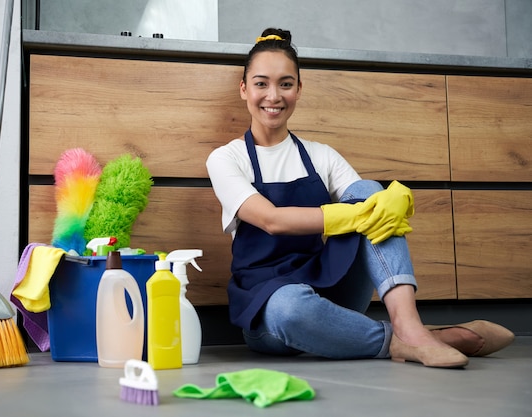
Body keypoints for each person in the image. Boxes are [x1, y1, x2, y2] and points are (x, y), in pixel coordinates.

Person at [206, 28, 514, 368]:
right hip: (269, 306)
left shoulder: (321, 155)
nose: (273, 96)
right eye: (261, 83)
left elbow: (368, 202)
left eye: (286, 84)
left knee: (369, 190)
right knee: (291, 307)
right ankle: (413, 339)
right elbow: (271, 220)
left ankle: (408, 325)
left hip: (331, 289)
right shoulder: (226, 159)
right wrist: (354, 216)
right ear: (244, 89)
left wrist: (392, 199)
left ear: (299, 89)